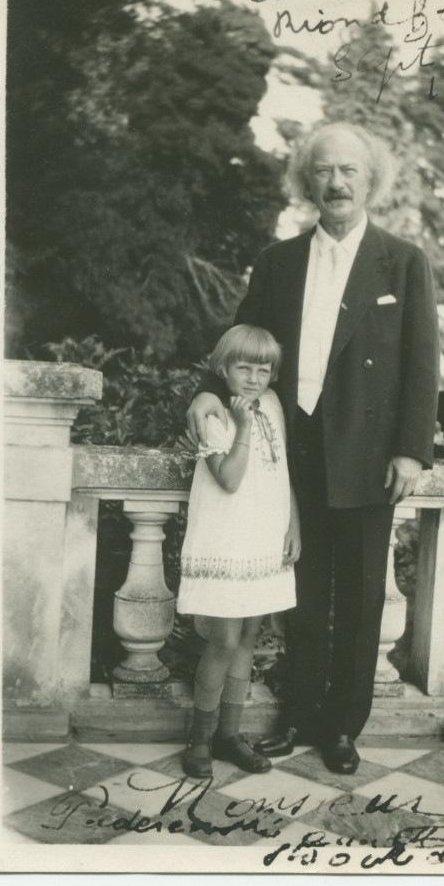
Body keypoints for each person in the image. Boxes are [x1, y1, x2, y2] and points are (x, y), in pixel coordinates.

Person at [187, 122, 440, 775]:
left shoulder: (403, 261)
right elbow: (238, 343)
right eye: (324, 170)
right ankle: (296, 714)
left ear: (370, 182)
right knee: (298, 597)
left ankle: (343, 728)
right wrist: (203, 398)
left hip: (368, 459)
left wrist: (410, 450)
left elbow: (420, 364)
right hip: (292, 462)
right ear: (308, 181)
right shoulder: (277, 262)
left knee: (359, 601)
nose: (336, 182)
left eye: (349, 171)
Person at [178, 324, 301, 778]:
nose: (253, 378)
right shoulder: (212, 414)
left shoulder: (272, 404)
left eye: (263, 369)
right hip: (226, 537)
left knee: (249, 635)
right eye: (243, 368)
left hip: (264, 536)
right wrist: (243, 423)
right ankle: (200, 739)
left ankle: (230, 734)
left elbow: (282, 470)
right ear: (223, 369)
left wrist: (294, 525)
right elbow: (228, 478)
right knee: (224, 639)